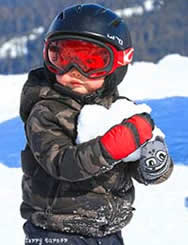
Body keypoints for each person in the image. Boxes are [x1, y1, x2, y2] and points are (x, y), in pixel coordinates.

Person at [20, 4, 173, 245]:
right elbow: (63, 164)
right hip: (56, 232)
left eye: (91, 61)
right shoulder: (45, 111)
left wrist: (152, 165)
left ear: (117, 66)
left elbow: (133, 162)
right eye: (62, 58)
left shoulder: (117, 110)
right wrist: (113, 146)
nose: (74, 71)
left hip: (108, 232)